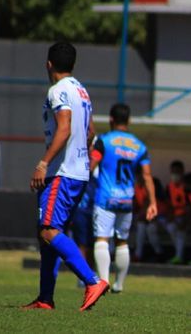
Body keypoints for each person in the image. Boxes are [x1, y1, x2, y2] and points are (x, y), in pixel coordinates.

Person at [24, 42, 108, 311]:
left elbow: (65, 127)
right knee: (47, 233)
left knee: (48, 230)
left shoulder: (58, 90)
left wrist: (44, 162)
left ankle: (92, 281)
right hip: (78, 173)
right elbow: (90, 131)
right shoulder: (81, 91)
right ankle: (45, 298)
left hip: (62, 172)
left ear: (49, 64)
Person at [90, 103, 157, 294]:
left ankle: (102, 282)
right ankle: (119, 284)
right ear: (128, 121)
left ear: (111, 119)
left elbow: (91, 165)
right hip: (127, 200)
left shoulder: (103, 141)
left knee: (102, 239)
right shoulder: (139, 146)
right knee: (122, 241)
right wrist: (152, 202)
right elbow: (146, 176)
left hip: (105, 199)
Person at [70, 169, 97, 287]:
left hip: (93, 214)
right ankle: (82, 276)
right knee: (82, 245)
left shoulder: (97, 180)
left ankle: (91, 274)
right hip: (80, 213)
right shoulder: (77, 178)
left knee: (92, 246)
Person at [133, 176, 165, 263]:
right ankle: (138, 254)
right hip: (151, 219)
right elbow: (143, 212)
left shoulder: (159, 196)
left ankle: (159, 254)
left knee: (151, 228)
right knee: (142, 226)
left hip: (163, 218)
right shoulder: (139, 190)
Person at [165, 160, 187, 264]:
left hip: (186, 216)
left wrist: (183, 219)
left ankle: (179, 256)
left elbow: (190, 206)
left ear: (182, 172)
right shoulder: (169, 187)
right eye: (173, 172)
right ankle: (178, 254)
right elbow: (168, 204)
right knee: (171, 227)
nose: (175, 175)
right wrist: (172, 217)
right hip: (175, 216)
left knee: (180, 230)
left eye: (177, 172)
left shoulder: (187, 186)